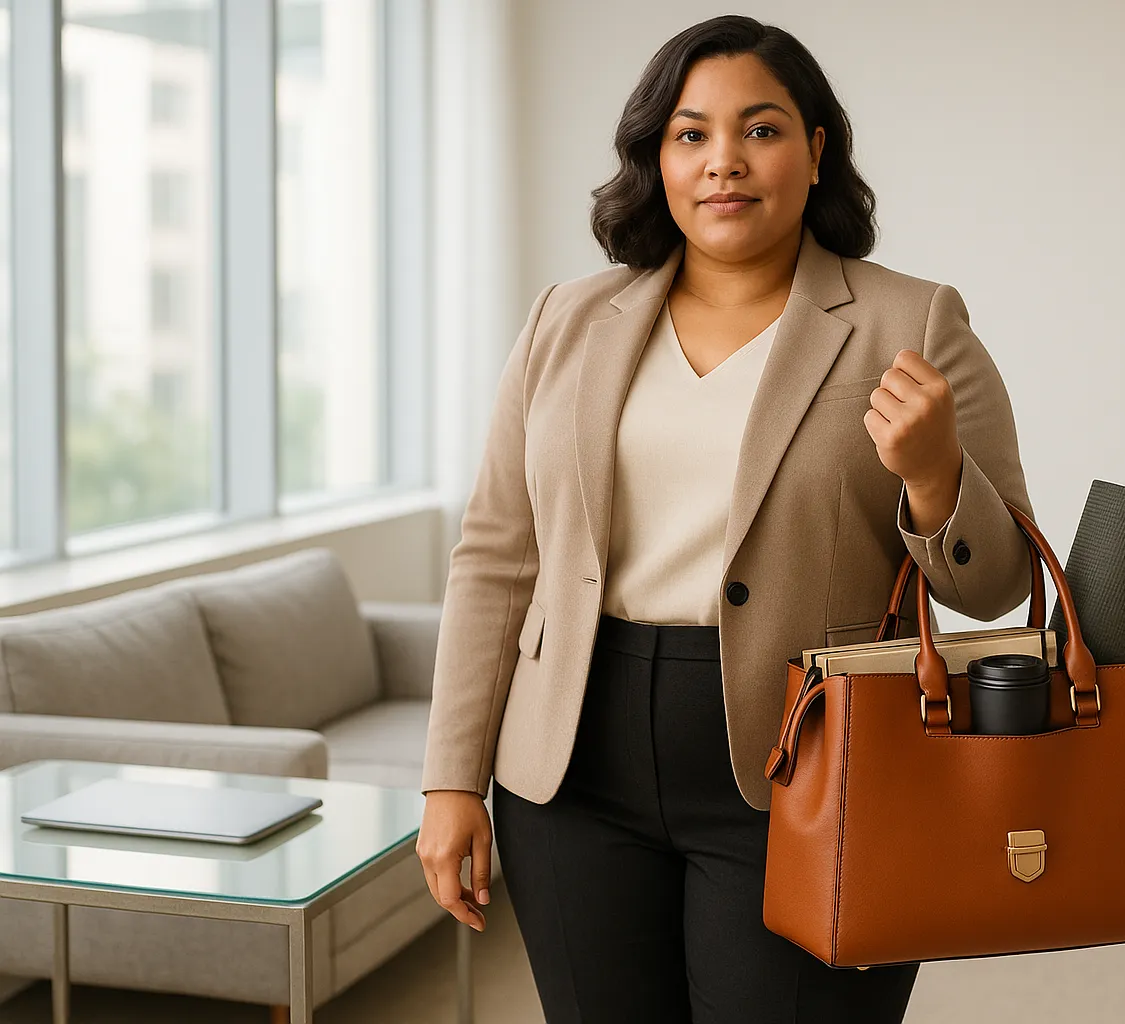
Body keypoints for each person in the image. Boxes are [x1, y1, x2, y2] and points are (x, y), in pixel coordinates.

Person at [415, 13, 1037, 1024]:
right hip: (571, 763)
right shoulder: (565, 321)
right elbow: (495, 556)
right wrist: (450, 781)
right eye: (691, 134)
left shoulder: (909, 321)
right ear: (656, 158)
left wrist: (934, 474)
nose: (724, 163)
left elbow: (997, 578)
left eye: (761, 129)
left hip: (814, 764)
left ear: (816, 149)